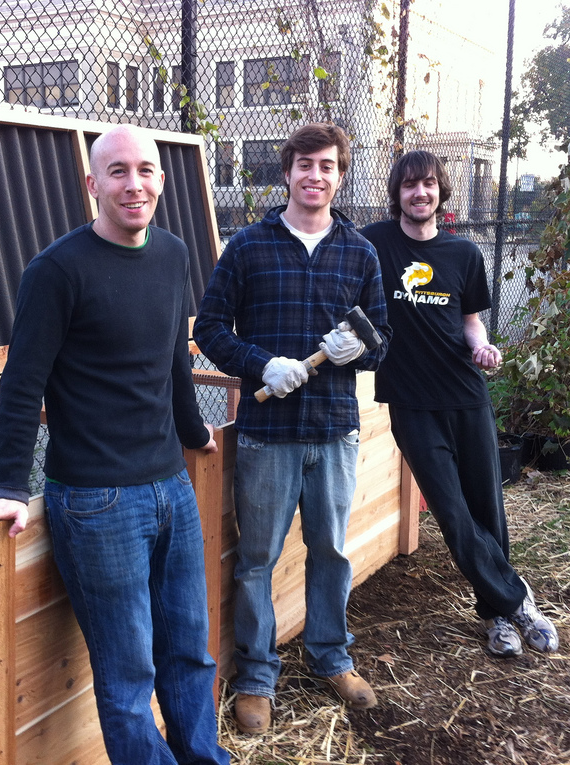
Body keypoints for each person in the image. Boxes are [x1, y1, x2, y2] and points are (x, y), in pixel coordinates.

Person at [0, 125, 229, 765]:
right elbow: (22, 385)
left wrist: (192, 432)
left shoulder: (174, 254)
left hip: (172, 489)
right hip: (98, 503)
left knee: (189, 649)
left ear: (162, 179)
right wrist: (10, 490)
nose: (135, 184)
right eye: (119, 171)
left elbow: (172, 359)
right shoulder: (56, 270)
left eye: (147, 170)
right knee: (128, 675)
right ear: (92, 184)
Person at [193, 123, 391, 735]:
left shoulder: (359, 253)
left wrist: (351, 348)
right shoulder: (248, 247)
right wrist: (261, 364)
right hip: (265, 434)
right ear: (287, 173)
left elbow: (380, 345)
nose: (316, 175)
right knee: (257, 559)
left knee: (330, 551)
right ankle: (256, 675)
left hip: (334, 430)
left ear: (340, 174)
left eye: (328, 165)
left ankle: (330, 657)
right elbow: (211, 330)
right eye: (305, 164)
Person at [360, 150, 559, 659]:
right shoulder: (375, 242)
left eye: (427, 184)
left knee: (487, 507)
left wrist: (481, 346)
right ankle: (519, 600)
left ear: (440, 191)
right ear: (397, 193)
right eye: (409, 185)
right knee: (451, 513)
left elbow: (470, 321)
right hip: (410, 401)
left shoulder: (464, 254)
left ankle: (496, 616)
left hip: (467, 396)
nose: (419, 193)